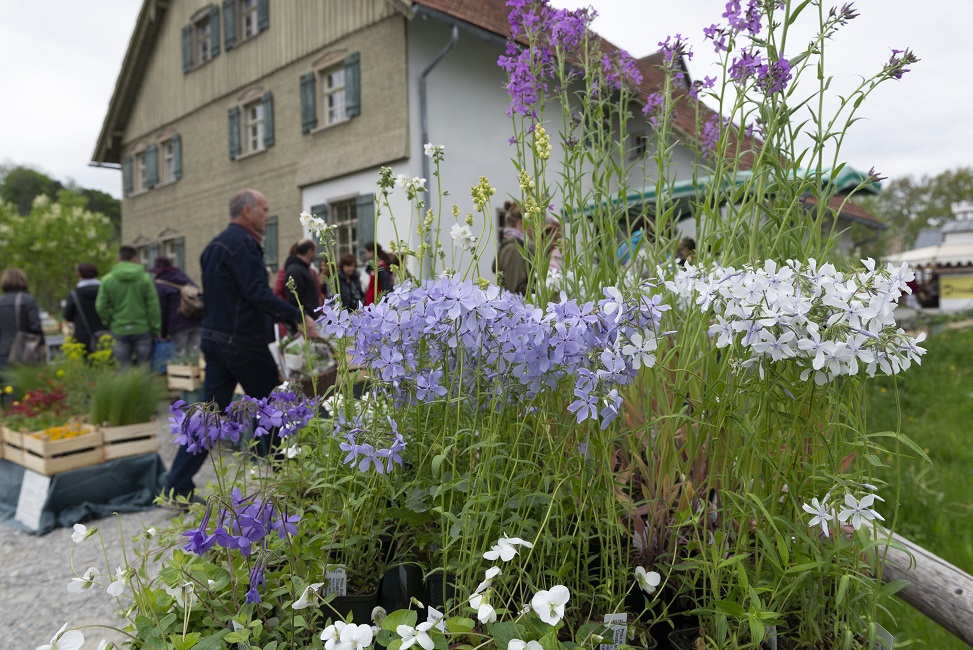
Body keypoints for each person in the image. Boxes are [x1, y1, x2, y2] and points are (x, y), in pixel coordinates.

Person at [163, 189, 319, 502]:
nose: (266, 215)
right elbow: (256, 293)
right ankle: (291, 483)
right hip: (243, 342)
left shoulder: (212, 247)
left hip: (215, 338)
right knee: (270, 409)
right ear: (246, 211)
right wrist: (298, 317)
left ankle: (175, 488)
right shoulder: (245, 244)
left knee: (208, 415)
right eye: (263, 209)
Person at [96, 245, 161, 367]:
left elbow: (101, 306)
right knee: (144, 368)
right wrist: (155, 327)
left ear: (118, 259)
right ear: (134, 259)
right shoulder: (145, 278)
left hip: (119, 328)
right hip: (142, 328)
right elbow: (153, 305)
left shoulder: (107, 280)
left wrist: (109, 321)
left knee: (122, 368)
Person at [151, 256, 202, 358]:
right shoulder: (183, 277)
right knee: (197, 356)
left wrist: (163, 333)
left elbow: (163, 310)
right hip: (197, 320)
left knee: (181, 358)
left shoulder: (160, 285)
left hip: (178, 323)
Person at [0, 268, 45, 368]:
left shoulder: (1, 301)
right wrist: (41, 344)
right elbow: (35, 327)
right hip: (24, 352)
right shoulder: (28, 300)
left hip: (2, 352)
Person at [63, 262, 108, 355]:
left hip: (83, 335)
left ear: (79, 274)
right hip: (105, 332)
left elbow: (67, 315)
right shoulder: (105, 290)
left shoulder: (74, 294)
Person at [282, 239, 321, 327]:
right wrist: (304, 317)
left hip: (310, 319)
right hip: (305, 322)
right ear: (309, 251)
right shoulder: (295, 270)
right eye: (315, 251)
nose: (315, 255)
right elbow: (294, 299)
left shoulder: (303, 269)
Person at [495, 201, 530, 295]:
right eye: (532, 223)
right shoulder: (514, 249)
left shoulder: (514, 246)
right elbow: (515, 290)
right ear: (521, 223)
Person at [363, 241, 392, 305]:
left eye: (366, 252)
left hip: (377, 303)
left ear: (371, 252)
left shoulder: (381, 266)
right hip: (372, 302)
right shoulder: (375, 266)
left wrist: (385, 302)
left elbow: (386, 287)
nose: (365, 255)